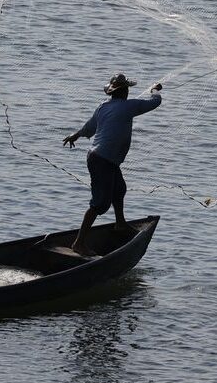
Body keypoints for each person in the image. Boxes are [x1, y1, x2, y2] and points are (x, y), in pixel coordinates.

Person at [63, 73, 162, 255]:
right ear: (124, 92)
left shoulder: (103, 107)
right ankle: (79, 243)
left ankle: (120, 224)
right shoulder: (129, 106)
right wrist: (155, 91)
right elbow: (155, 102)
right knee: (99, 204)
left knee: (119, 189)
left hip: (101, 158)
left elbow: (89, 128)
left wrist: (75, 135)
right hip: (102, 160)